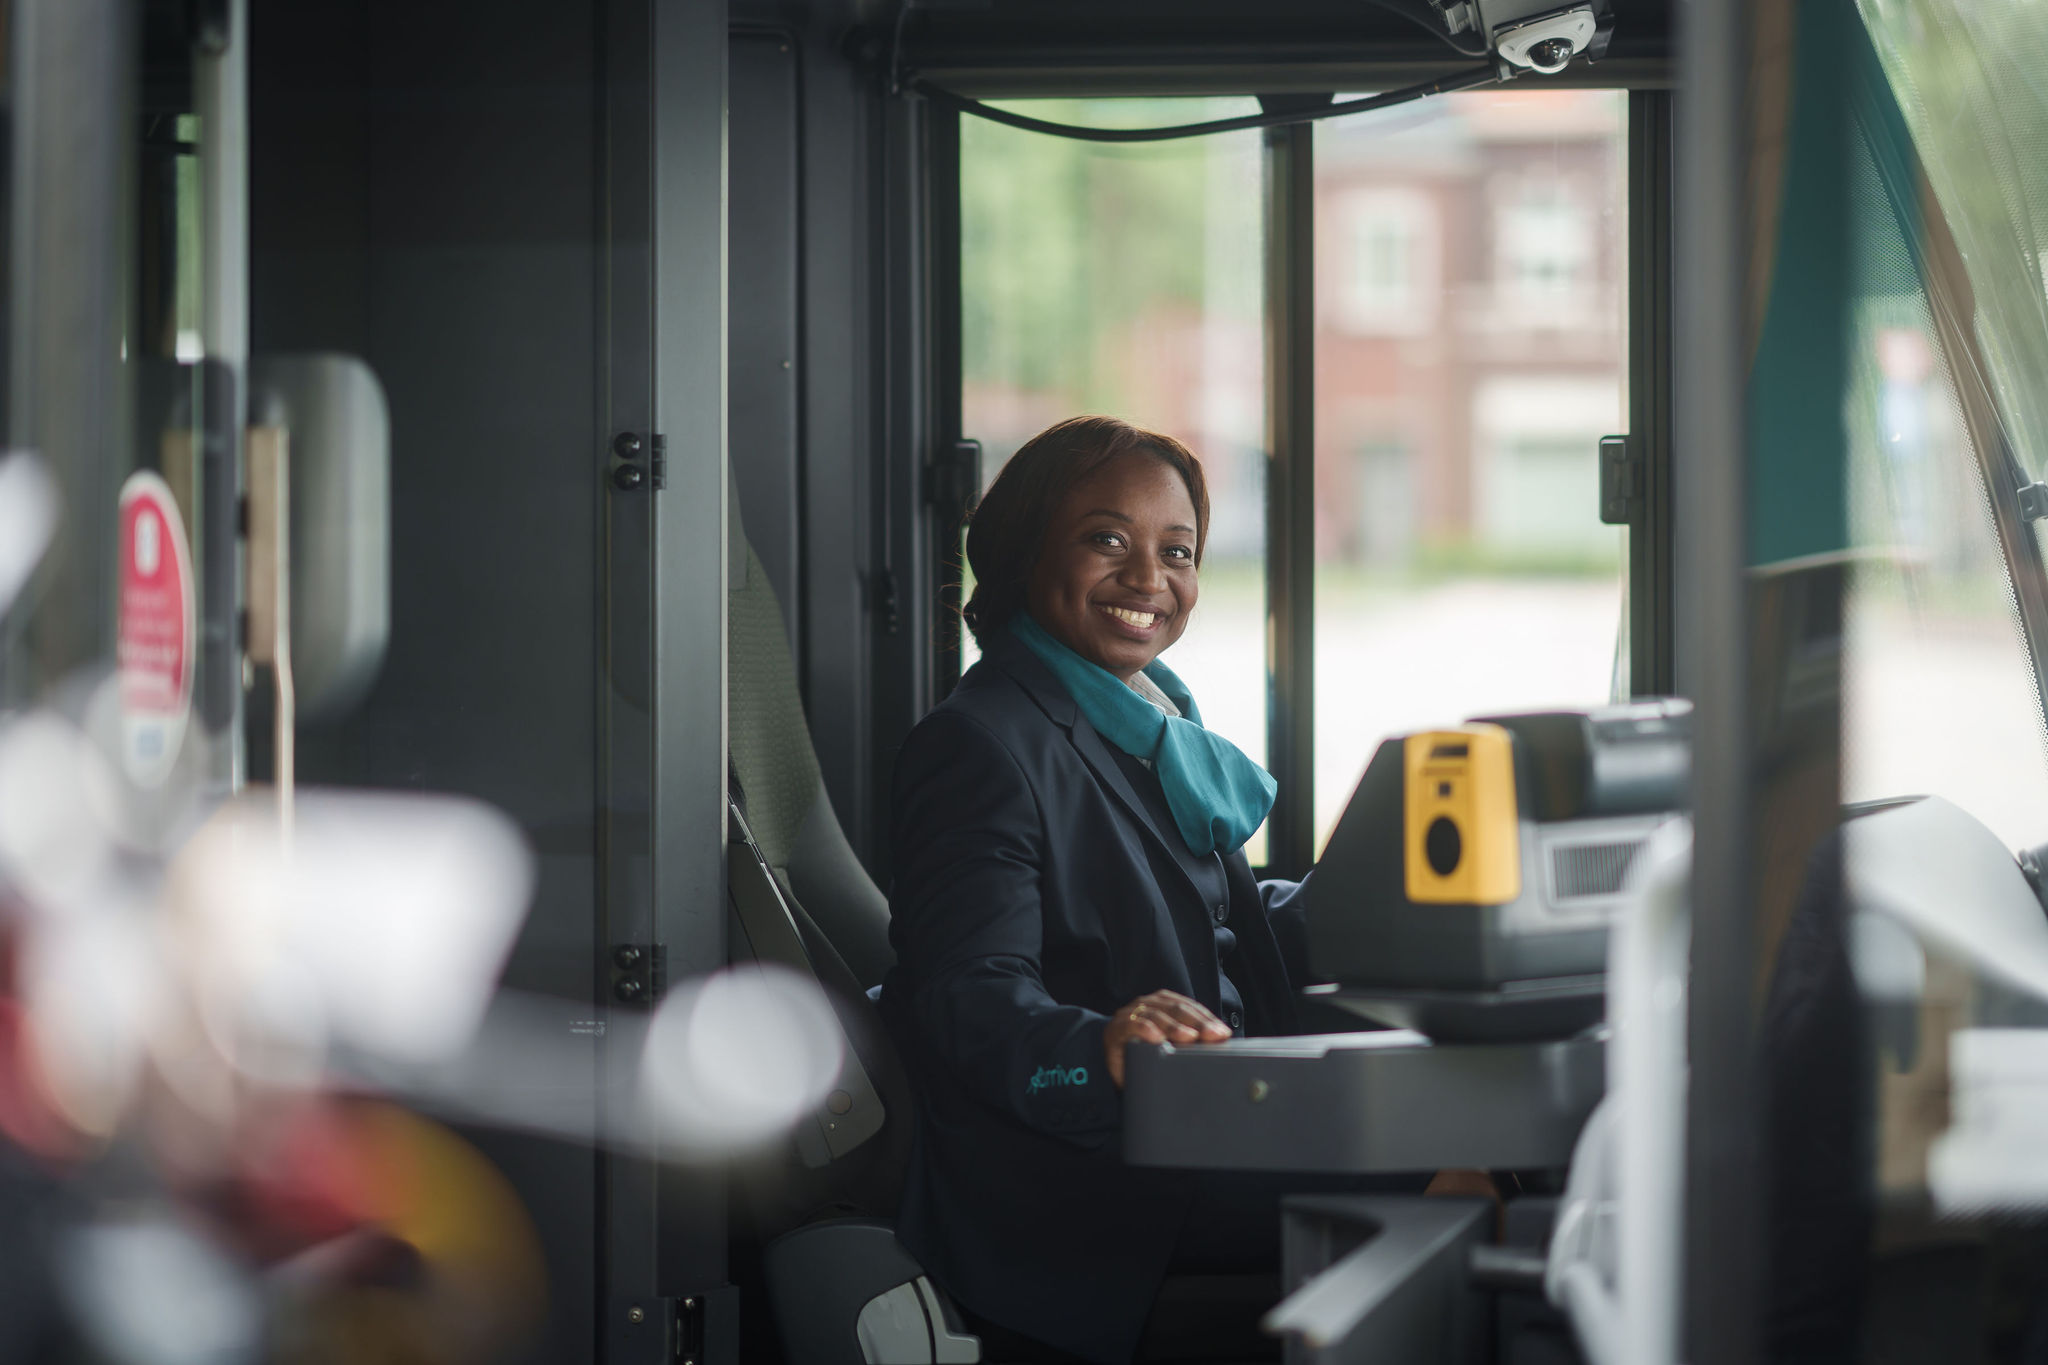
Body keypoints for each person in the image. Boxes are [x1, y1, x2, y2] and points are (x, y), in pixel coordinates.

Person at [878, 415, 1392, 1365]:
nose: (1149, 577)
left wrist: (1386, 904)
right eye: (1107, 539)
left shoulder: (1149, 723)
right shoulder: (980, 744)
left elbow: (1216, 919)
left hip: (1216, 1110)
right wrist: (1104, 1042)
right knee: (1451, 1173)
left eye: (1178, 550)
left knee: (1477, 1139)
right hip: (1094, 1180)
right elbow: (967, 998)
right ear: (1029, 552)